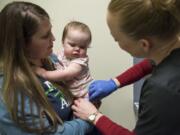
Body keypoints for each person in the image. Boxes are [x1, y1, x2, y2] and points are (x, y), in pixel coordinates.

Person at [72, 0, 180, 135]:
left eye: (117, 39)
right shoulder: (170, 46)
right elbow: (150, 63)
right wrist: (115, 82)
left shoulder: (162, 90)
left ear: (144, 45)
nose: (118, 43)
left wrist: (94, 116)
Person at [0, 1, 96, 135]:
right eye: (45, 36)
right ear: (22, 43)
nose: (54, 38)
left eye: (50, 31)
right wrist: (91, 118)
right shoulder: (9, 90)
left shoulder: (52, 60)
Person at [35, 21, 93, 99]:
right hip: (71, 94)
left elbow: (66, 74)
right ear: (63, 42)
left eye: (82, 47)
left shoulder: (80, 61)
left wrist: (44, 74)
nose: (77, 49)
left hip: (84, 94)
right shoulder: (62, 54)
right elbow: (54, 57)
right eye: (72, 45)